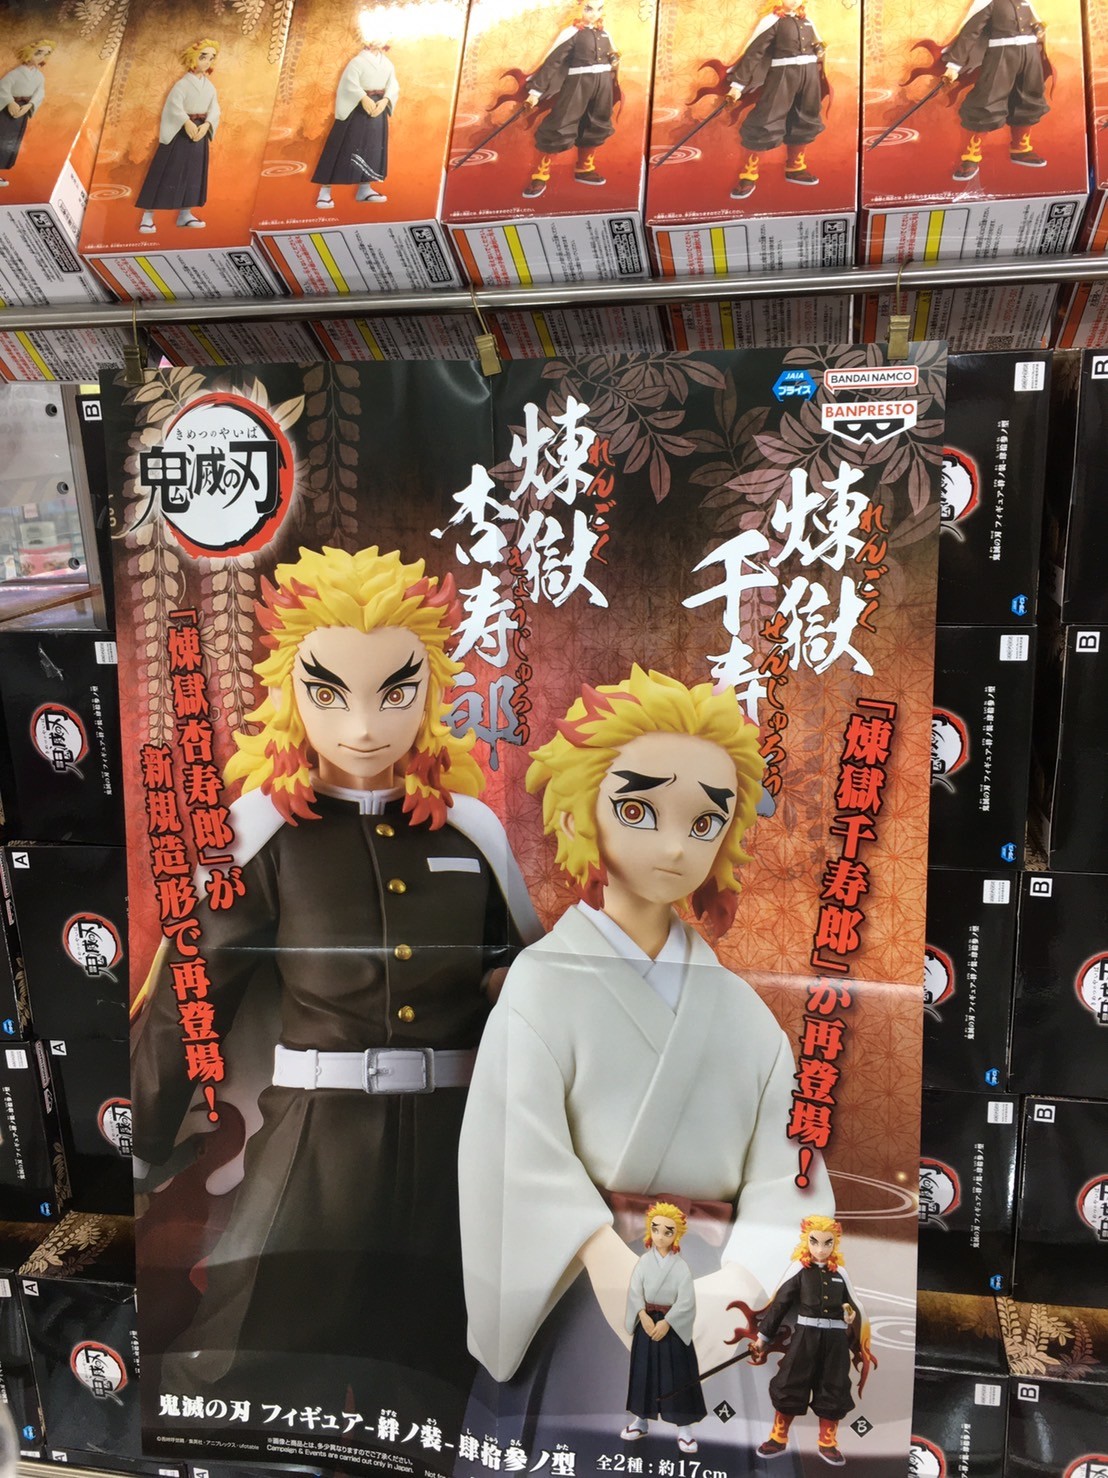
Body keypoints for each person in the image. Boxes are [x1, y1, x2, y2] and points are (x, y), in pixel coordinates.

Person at [131, 544, 540, 1430]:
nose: (363, 724)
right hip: (315, 1139)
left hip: (457, 1146)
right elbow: (194, 995)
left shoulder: (471, 832)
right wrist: (139, 1137)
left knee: (437, 1371)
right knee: (252, 1355)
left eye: (394, 692)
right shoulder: (262, 832)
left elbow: (532, 986)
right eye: (330, 693)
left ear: (431, 692)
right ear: (291, 692)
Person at [458, 666, 833, 1442]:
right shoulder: (542, 982)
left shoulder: (742, 1012)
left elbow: (790, 1175)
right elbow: (513, 1152)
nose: (673, 845)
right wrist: (603, 1258)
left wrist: (742, 1284)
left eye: (704, 822)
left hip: (717, 1307)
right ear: (580, 811)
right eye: (637, 810)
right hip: (584, 1293)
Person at [749, 1216, 874, 1467]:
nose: (821, 1249)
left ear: (835, 1244)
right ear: (806, 1241)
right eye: (815, 1242)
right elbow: (780, 1305)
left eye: (828, 1243)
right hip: (805, 1335)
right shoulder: (799, 1270)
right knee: (790, 1380)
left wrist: (851, 1316)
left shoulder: (840, 1274)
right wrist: (763, 1338)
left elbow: (852, 1305)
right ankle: (778, 1436)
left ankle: (827, 1441)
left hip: (836, 1339)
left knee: (834, 1384)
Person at [622, 1203, 706, 1453]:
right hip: (647, 1324)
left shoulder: (680, 1266)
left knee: (678, 1375)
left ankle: (684, 1427)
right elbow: (635, 1291)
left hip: (672, 1325)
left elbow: (686, 1301)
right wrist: (642, 1315)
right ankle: (641, 1420)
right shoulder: (643, 1262)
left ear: (676, 1235)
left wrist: (667, 1321)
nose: (660, 1236)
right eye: (655, 1229)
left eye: (667, 1232)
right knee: (643, 1371)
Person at [726, 0, 827, 200]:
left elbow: (817, 44)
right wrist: (737, 85)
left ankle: (795, 167)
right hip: (782, 75)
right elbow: (754, 53)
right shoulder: (772, 21)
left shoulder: (807, 21)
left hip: (809, 76)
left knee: (806, 117)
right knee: (767, 118)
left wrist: (819, 49)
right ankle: (749, 174)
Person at [941, 0, 1049, 181]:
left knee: (1029, 98)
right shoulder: (989, 2)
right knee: (987, 101)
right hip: (1001, 56)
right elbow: (971, 32)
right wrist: (954, 65)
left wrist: (1039, 28)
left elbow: (1037, 22)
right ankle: (971, 156)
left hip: (1030, 55)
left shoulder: (1026, 1)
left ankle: (1020, 148)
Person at [520, 0, 618, 198]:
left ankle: (584, 168)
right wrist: (535, 92)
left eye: (599, 9)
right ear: (579, 8)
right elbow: (553, 63)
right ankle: (541, 174)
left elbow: (613, 54)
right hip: (578, 83)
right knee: (561, 123)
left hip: (603, 83)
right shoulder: (572, 33)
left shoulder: (605, 33)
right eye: (589, 9)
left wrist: (614, 59)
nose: (594, 13)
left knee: (597, 123)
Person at [136, 39, 221, 234]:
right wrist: (186, 122)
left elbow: (215, 109)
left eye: (211, 58)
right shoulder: (182, 84)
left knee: (194, 172)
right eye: (203, 57)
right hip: (180, 132)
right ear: (192, 58)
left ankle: (185, 213)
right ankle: (147, 216)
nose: (207, 62)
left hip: (200, 132)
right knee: (167, 171)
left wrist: (207, 124)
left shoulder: (209, 87)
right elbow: (173, 106)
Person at [313, 23, 398, 209]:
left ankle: (365, 189)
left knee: (373, 148)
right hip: (356, 109)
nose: (378, 40)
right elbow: (348, 84)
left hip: (378, 108)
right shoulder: (357, 62)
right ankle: (324, 192)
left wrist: (385, 100)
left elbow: (393, 85)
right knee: (343, 146)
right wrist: (362, 97)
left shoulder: (387, 63)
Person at [0, 39, 55, 185]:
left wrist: (30, 105)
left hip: (22, 111)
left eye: (46, 54)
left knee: (11, 141)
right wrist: (10, 102)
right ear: (29, 53)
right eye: (38, 53)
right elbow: (3, 87)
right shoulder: (15, 73)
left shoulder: (39, 77)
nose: (42, 57)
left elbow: (40, 93)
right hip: (7, 110)